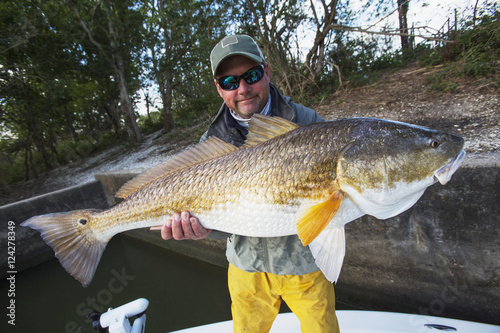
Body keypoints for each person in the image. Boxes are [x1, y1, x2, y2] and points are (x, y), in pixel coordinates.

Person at [159, 35, 339, 333]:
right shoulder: (211, 143)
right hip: (246, 266)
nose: (242, 89)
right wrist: (202, 230)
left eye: (251, 76)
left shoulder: (307, 121)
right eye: (229, 82)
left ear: (266, 71)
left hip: (305, 264)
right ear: (219, 87)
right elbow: (215, 215)